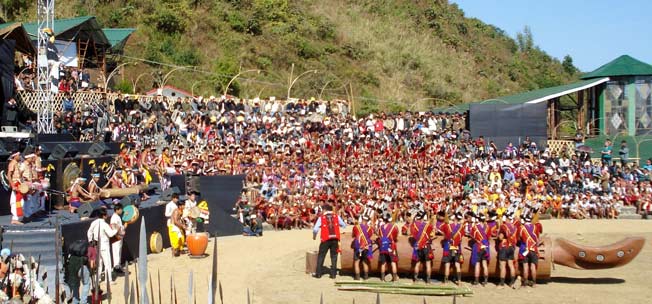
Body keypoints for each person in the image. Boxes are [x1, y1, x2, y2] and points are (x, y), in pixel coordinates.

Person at [312, 204, 346, 279]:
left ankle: (318, 273)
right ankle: (333, 274)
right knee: (334, 256)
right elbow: (344, 225)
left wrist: (314, 237)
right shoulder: (336, 216)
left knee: (321, 255)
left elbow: (315, 229)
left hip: (325, 239)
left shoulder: (322, 218)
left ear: (325, 210)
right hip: (335, 239)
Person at [86, 208, 117, 284]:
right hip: (104, 245)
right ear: (103, 216)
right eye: (106, 214)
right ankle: (108, 280)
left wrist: (90, 241)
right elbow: (111, 234)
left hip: (96, 245)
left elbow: (89, 232)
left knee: (99, 263)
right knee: (107, 263)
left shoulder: (94, 222)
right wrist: (116, 229)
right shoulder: (104, 224)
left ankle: (98, 279)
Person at [410, 211, 434, 283]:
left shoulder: (413, 225)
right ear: (423, 217)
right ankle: (428, 281)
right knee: (428, 263)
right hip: (426, 245)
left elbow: (411, 234)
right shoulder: (427, 225)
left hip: (418, 246)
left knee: (417, 263)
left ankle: (415, 279)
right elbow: (432, 234)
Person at [518, 212, 542, 287]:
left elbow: (519, 238)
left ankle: (524, 283)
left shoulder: (521, 228)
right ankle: (534, 283)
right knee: (533, 267)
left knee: (525, 267)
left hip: (524, 249)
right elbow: (537, 238)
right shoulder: (535, 227)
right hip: (533, 249)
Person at [440, 211, 464, 285]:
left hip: (448, 247)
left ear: (455, 218)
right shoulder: (461, 227)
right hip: (456, 248)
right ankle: (459, 281)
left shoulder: (447, 226)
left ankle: (446, 282)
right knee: (457, 265)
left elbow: (442, 233)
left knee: (447, 264)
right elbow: (461, 238)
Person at [497, 211, 517, 288]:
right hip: (512, 247)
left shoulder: (503, 226)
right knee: (511, 265)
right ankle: (512, 282)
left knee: (502, 265)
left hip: (504, 246)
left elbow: (500, 237)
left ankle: (502, 283)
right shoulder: (514, 227)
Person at [377, 212, 399, 282]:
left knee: (383, 263)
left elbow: (380, 236)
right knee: (393, 263)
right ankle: (394, 278)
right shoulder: (394, 227)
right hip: (391, 246)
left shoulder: (380, 227)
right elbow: (395, 237)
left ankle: (382, 279)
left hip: (383, 246)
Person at [470, 213, 490, 286]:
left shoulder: (475, 227)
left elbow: (472, 236)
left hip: (478, 246)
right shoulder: (487, 227)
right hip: (486, 246)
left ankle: (476, 281)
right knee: (484, 264)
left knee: (477, 264)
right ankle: (485, 281)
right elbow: (489, 237)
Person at [352, 215, 373, 281]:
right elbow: (369, 236)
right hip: (366, 246)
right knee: (365, 261)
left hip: (358, 246)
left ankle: (357, 277)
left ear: (362, 219)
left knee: (356, 262)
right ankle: (365, 277)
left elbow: (353, 235)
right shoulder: (370, 228)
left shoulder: (356, 227)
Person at [7, 152, 24, 224]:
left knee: (19, 201)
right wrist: (13, 185)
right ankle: (15, 218)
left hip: (19, 183)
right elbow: (9, 175)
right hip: (15, 184)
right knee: (16, 201)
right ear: (15, 156)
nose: (20, 156)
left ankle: (16, 218)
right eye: (19, 155)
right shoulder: (12, 163)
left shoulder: (17, 163)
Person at [110, 203, 126, 274]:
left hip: (119, 236)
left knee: (118, 251)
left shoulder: (117, 216)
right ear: (117, 210)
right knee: (116, 252)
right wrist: (123, 228)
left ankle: (118, 266)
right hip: (116, 237)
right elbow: (114, 227)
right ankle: (116, 267)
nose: (121, 210)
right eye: (121, 209)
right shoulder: (114, 217)